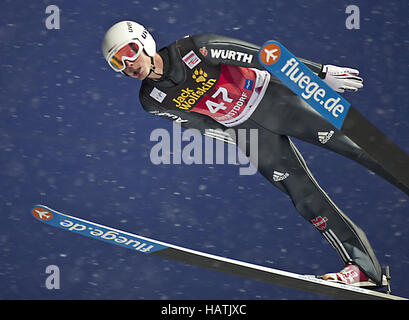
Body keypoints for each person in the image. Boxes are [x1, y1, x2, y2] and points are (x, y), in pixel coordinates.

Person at [101, 20, 401, 288]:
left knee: (363, 149)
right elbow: (197, 124)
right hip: (248, 132)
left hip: (275, 102)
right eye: (117, 62)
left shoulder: (196, 48)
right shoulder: (152, 100)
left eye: (129, 51)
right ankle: (364, 269)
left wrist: (318, 74)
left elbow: (264, 56)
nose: (128, 63)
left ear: (144, 41)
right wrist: (237, 137)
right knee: (303, 196)